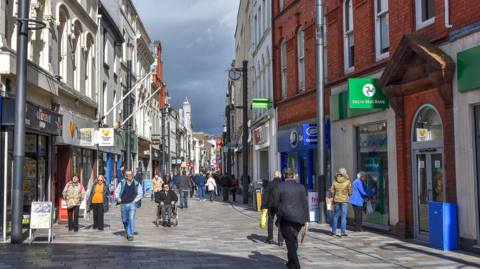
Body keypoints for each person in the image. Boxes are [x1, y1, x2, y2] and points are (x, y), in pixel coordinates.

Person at [272, 167, 309, 269]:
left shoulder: (279, 187)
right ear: (293, 175)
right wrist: (306, 220)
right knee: (293, 239)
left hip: (286, 218)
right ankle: (291, 262)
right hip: (298, 218)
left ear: (284, 176)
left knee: (290, 241)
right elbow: (305, 205)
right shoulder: (301, 187)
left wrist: (272, 214)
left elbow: (274, 203)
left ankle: (295, 264)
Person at [115, 169, 143, 241]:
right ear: (125, 176)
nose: (130, 176)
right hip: (123, 203)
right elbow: (117, 191)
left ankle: (130, 234)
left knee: (131, 218)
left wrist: (135, 201)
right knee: (124, 219)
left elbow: (140, 193)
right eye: (128, 175)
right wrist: (118, 197)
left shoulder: (136, 183)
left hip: (132, 203)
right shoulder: (122, 183)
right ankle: (127, 230)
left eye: (131, 174)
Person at [261, 171, 284, 246]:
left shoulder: (270, 184)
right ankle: (280, 240)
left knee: (270, 221)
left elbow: (266, 195)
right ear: (280, 176)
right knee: (280, 222)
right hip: (280, 205)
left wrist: (263, 206)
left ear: (274, 176)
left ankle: (270, 238)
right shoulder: (283, 184)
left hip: (270, 205)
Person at [330, 168, 353, 238]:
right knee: (343, 217)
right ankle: (343, 233)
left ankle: (333, 232)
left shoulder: (335, 181)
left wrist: (336, 194)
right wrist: (346, 194)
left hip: (337, 200)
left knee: (336, 216)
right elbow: (350, 192)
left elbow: (332, 191)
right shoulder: (347, 181)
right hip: (344, 201)